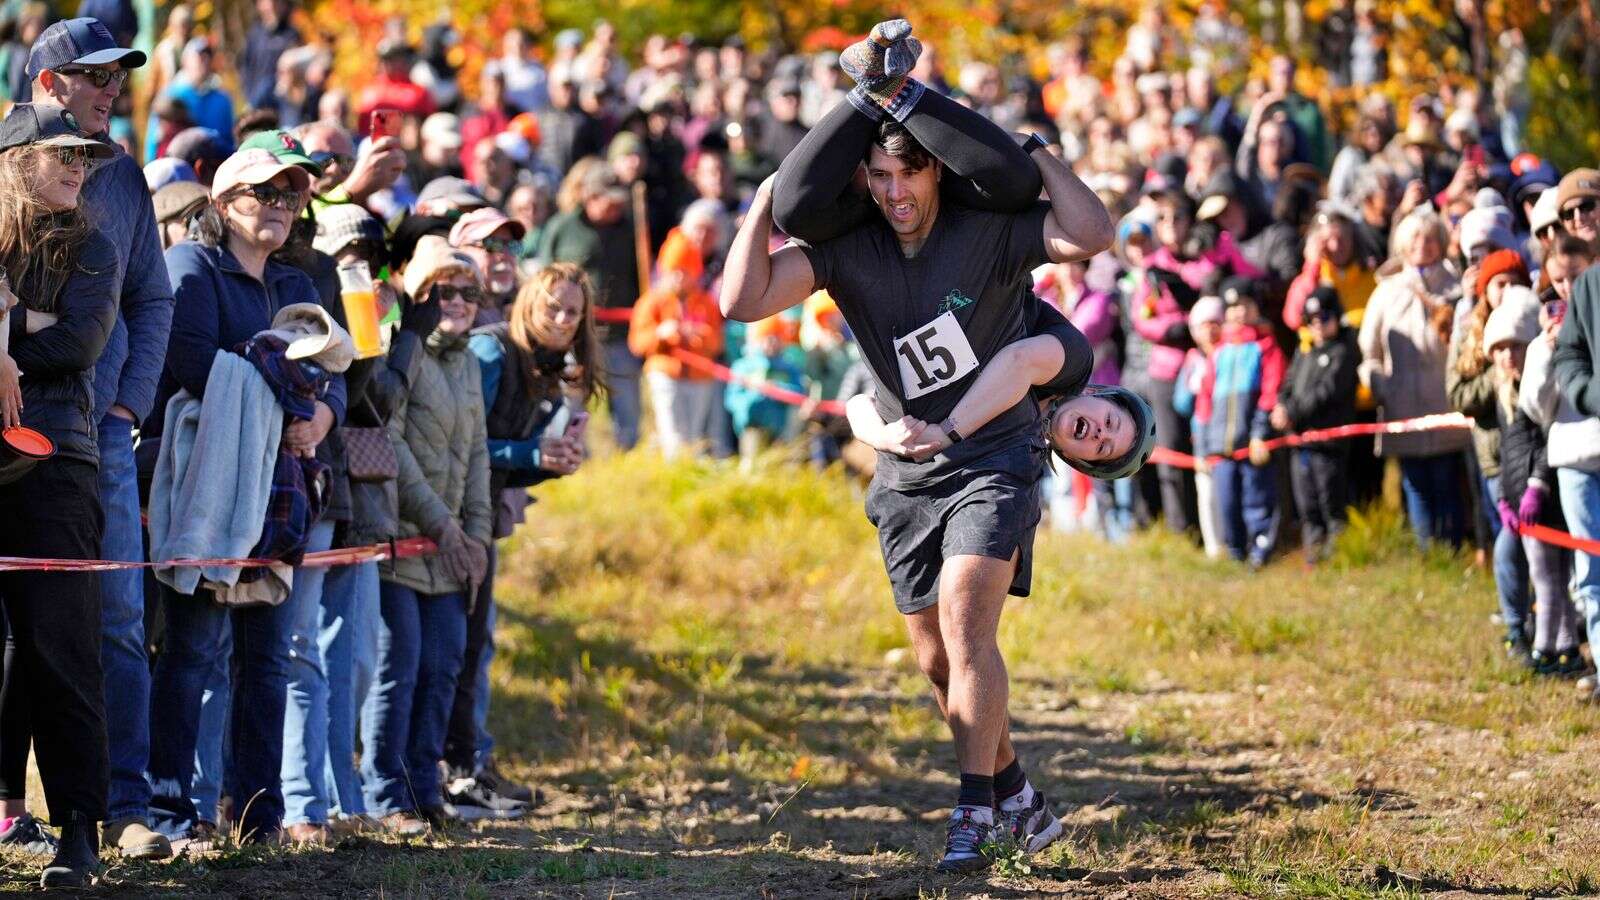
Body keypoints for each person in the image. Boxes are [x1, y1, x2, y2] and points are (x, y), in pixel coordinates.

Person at [724, 21, 1115, 872]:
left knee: (967, 628)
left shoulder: (991, 232)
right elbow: (743, 300)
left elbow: (1090, 235)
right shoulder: (848, 249)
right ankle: (1015, 791)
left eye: (911, 171)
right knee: (940, 664)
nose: (897, 191)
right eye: (881, 173)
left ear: (936, 168)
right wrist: (763, 201)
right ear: (862, 176)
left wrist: (1036, 153)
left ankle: (973, 817)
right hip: (905, 474)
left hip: (997, 461)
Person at [145, 146, 337, 845]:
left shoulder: (296, 281)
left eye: (291, 196)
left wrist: (324, 415)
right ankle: (166, 812)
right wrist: (290, 404)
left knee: (266, 662)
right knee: (191, 653)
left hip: (280, 494)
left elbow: (333, 370)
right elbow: (192, 363)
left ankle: (259, 818)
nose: (281, 206)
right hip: (208, 484)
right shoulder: (189, 267)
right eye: (265, 193)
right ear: (224, 204)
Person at [24, 15, 178, 864]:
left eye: (119, 77)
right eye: (97, 77)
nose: (114, 91)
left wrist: (127, 407)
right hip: (12, 429)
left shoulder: (122, 181)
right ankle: (18, 806)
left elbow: (152, 298)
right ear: (50, 84)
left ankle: (122, 807)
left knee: (113, 621)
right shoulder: (9, 170)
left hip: (96, 436)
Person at [0, 101, 118, 889]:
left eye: (85, 155)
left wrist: (7, 342)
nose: (79, 165)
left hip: (57, 460)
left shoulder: (98, 248)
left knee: (62, 652)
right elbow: (53, 337)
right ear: (17, 160)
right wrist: (17, 325)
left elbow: (80, 345)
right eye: (62, 152)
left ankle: (81, 831)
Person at [451, 264, 599, 816]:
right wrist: (530, 454)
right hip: (448, 518)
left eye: (573, 313)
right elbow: (464, 445)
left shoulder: (545, 364)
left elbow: (502, 461)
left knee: (474, 647)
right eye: (552, 308)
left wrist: (548, 459)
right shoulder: (492, 352)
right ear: (528, 304)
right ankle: (455, 774)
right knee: (454, 652)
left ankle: (472, 765)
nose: (562, 321)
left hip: (480, 517)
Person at [365, 239, 491, 834]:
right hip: (401, 539)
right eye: (445, 290)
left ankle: (424, 784)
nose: (460, 302)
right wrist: (441, 524)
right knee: (401, 667)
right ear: (420, 294)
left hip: (452, 549)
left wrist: (479, 536)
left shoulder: (468, 361)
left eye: (470, 291)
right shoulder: (401, 351)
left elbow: (479, 458)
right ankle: (386, 793)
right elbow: (391, 444)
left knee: (444, 665)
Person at [1358, 210, 1472, 548]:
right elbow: (1369, 352)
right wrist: (1382, 387)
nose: (1423, 246)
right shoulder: (1387, 292)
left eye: (1430, 238)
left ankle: (1452, 550)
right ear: (1403, 245)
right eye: (1415, 239)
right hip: (1402, 407)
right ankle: (1428, 554)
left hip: (1445, 405)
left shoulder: (1455, 287)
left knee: (1446, 480)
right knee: (1416, 484)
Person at [538, 165, 643, 449]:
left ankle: (628, 457)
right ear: (590, 197)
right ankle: (569, 455)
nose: (616, 206)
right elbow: (544, 279)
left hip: (622, 334)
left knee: (628, 405)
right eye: (609, 200)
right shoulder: (562, 228)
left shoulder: (632, 228)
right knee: (570, 401)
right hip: (573, 334)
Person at [1272, 287, 1359, 563]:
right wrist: (1282, 407)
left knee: (1330, 502)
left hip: (1328, 444)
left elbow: (1326, 392)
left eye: (1324, 316)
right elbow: (1288, 384)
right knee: (1307, 504)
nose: (1318, 324)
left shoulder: (1344, 351)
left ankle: (1338, 557)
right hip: (1301, 442)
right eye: (1311, 319)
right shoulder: (1305, 350)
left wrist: (1292, 413)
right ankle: (1314, 556)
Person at [1201, 283, 1285, 568]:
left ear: (1255, 308)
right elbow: (1205, 400)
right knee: (1227, 501)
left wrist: (1260, 434)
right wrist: (1204, 446)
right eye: (1233, 307)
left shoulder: (1266, 347)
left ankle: (1260, 550)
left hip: (1252, 444)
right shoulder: (1219, 352)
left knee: (1257, 499)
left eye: (1244, 305)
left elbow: (1270, 392)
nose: (1238, 312)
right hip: (1219, 447)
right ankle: (1235, 552)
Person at [629, 228, 724, 458]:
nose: (680, 278)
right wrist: (661, 334)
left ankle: (688, 476)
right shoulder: (652, 301)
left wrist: (699, 335)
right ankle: (675, 475)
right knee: (673, 434)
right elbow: (637, 343)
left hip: (699, 377)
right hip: (665, 374)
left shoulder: (706, 303)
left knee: (693, 436)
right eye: (675, 271)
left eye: (686, 271)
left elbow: (717, 343)